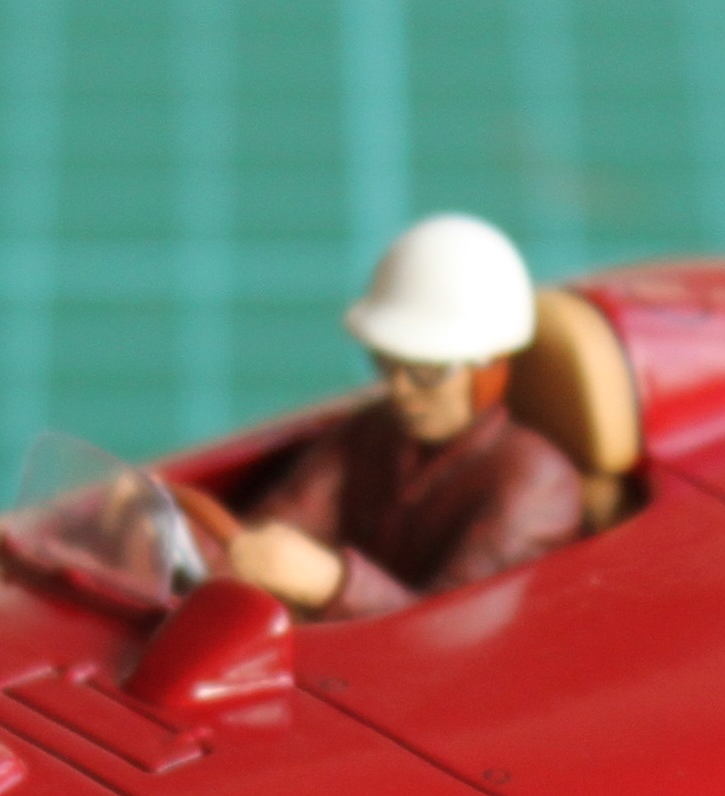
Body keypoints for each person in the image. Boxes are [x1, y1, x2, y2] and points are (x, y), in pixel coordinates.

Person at [227, 215, 586, 621]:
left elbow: (451, 630)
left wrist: (332, 582)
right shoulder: (370, 433)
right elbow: (286, 515)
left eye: (427, 371)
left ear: (489, 370)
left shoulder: (538, 485)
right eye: (387, 362)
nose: (400, 389)